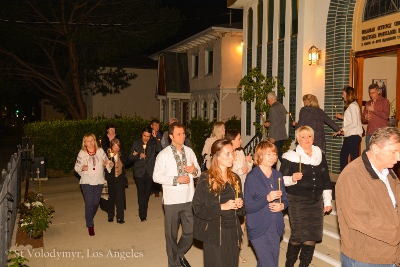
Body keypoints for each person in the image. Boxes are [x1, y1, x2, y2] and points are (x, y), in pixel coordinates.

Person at [336, 127, 400, 266]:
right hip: (365, 258)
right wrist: (397, 233)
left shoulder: (389, 173)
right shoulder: (352, 175)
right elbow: (360, 218)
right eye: (393, 152)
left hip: (390, 255)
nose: (398, 157)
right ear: (376, 149)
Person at [280, 126, 333, 267]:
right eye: (303, 136)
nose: (306, 139)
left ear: (313, 138)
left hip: (316, 201)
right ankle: (289, 264)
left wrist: (327, 201)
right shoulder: (290, 157)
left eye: (309, 136)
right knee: (298, 236)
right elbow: (280, 179)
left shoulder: (320, 155)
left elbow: (326, 180)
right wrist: (292, 178)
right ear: (298, 139)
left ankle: (304, 265)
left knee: (312, 237)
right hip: (297, 200)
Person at [153, 122, 201, 267]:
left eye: (184, 133)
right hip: (172, 201)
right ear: (171, 136)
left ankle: (178, 254)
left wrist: (194, 170)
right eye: (179, 134)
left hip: (188, 198)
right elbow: (156, 177)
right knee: (171, 235)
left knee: (191, 232)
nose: (182, 136)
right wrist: (176, 179)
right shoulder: (164, 155)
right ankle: (173, 264)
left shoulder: (190, 152)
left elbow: (198, 171)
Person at [193, 139, 245, 267]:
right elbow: (197, 208)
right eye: (227, 153)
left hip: (232, 232)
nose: (232, 156)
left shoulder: (235, 178)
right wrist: (222, 207)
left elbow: (241, 212)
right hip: (214, 234)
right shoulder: (205, 179)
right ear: (216, 156)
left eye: (232, 153)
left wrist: (240, 205)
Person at [244, 140, 288, 267]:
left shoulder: (278, 175)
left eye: (274, 154)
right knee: (269, 264)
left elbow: (285, 199)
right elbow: (248, 206)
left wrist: (282, 206)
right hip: (258, 226)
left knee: (268, 263)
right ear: (260, 155)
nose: (273, 157)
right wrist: (266, 198)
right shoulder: (252, 177)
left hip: (275, 226)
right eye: (269, 154)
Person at [225, 129, 253, 263]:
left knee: (242, 223)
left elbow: (247, 171)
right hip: (231, 192)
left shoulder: (241, 152)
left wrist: (248, 162)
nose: (241, 141)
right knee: (232, 223)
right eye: (238, 138)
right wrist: (238, 170)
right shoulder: (226, 153)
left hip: (243, 190)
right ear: (232, 140)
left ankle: (237, 251)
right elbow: (225, 172)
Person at [74, 133, 109, 236]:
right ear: (85, 143)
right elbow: (76, 167)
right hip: (86, 181)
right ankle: (90, 225)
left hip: (98, 180)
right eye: (88, 141)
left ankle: (88, 216)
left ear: (95, 141)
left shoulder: (100, 151)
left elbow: (106, 161)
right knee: (89, 202)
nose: (90, 142)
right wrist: (81, 168)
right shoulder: (82, 153)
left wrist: (107, 164)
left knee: (96, 202)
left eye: (92, 140)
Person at [129, 127, 162, 222]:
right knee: (141, 192)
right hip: (139, 172)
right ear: (141, 134)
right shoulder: (136, 143)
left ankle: (144, 212)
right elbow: (130, 157)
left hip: (149, 172)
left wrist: (155, 138)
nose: (146, 138)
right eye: (144, 136)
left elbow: (160, 150)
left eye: (148, 136)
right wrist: (138, 156)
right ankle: (142, 214)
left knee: (147, 194)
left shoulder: (152, 143)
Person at [334, 86, 363, 171]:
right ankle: (346, 176)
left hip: (353, 136)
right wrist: (343, 117)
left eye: (343, 94)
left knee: (352, 158)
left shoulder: (352, 106)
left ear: (348, 94)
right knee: (344, 155)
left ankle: (352, 178)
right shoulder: (353, 105)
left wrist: (342, 129)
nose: (342, 96)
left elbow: (355, 123)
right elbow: (352, 120)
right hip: (351, 135)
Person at [104, 138, 129, 224]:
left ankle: (120, 217)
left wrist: (134, 156)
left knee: (120, 198)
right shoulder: (106, 155)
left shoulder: (121, 154)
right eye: (115, 148)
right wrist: (106, 164)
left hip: (120, 179)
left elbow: (128, 161)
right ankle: (110, 215)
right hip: (110, 179)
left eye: (118, 147)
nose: (117, 149)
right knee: (111, 198)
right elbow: (102, 167)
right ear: (111, 147)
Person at [361, 83, 390, 150]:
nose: (371, 95)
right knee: (368, 154)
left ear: (378, 91)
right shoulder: (368, 103)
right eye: (370, 93)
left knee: (380, 155)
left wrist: (373, 110)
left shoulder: (384, 101)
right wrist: (365, 118)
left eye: (373, 93)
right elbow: (362, 119)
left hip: (380, 134)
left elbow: (386, 115)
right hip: (369, 133)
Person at [100, 123, 128, 188]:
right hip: (108, 159)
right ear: (107, 130)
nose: (113, 131)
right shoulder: (104, 139)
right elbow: (103, 150)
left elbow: (122, 148)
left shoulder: (118, 138)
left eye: (114, 129)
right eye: (111, 129)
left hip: (117, 159)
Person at [263, 91, 288, 163]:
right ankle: (285, 166)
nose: (268, 102)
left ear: (271, 99)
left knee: (274, 154)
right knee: (279, 153)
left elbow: (274, 123)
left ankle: (286, 167)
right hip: (281, 134)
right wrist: (270, 123)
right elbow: (281, 121)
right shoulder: (282, 106)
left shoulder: (273, 108)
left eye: (268, 100)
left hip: (275, 136)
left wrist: (272, 136)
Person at [150, 119, 163, 197]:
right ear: (151, 126)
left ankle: (156, 190)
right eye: (155, 125)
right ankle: (151, 189)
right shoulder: (148, 134)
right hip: (151, 155)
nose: (157, 127)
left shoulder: (161, 134)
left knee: (158, 172)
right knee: (150, 172)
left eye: (158, 125)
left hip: (159, 155)